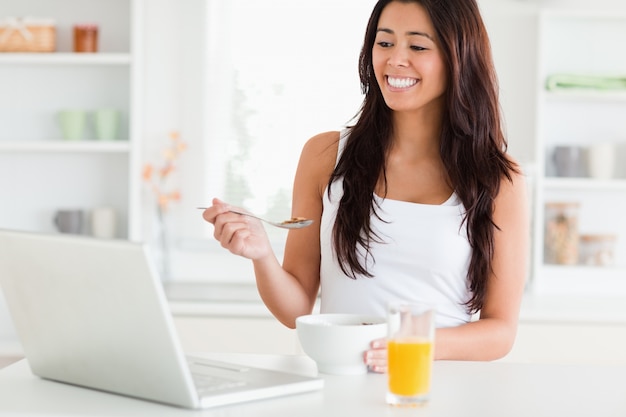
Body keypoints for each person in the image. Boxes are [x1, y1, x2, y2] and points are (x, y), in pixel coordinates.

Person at [201, 0, 529, 373]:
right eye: (384, 43)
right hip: (337, 386)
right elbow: (295, 311)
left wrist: (409, 343)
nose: (395, 60)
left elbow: (500, 331)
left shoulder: (499, 179)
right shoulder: (324, 156)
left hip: (431, 386)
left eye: (418, 46)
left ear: (459, 57)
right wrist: (261, 254)